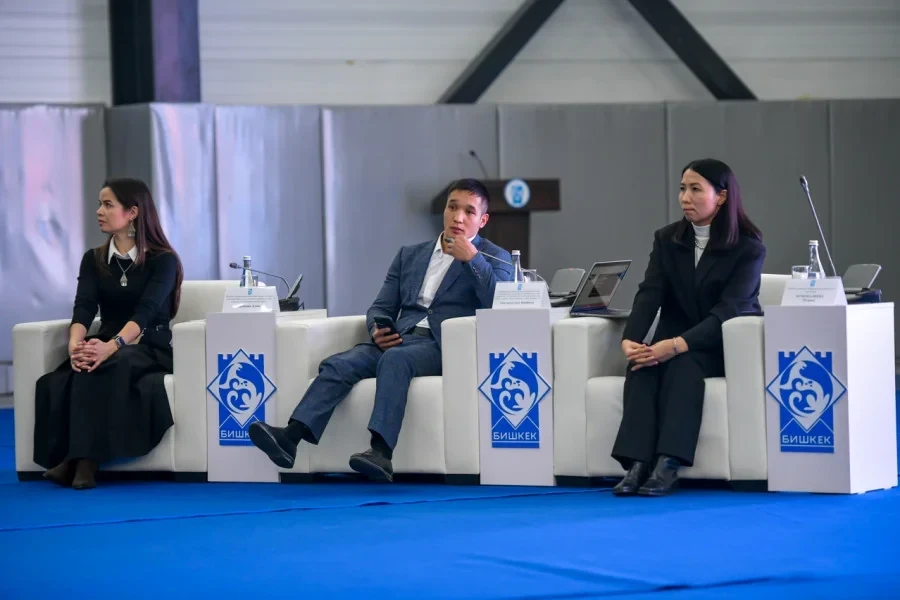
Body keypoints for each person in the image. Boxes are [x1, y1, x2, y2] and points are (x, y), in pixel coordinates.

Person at [249, 178, 513, 481]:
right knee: (341, 363)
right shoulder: (410, 255)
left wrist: (472, 260)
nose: (458, 217)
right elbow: (380, 306)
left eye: (469, 211)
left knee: (395, 360)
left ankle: (381, 453)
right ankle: (290, 438)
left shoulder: (494, 257)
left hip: (442, 345)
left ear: (483, 220)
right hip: (398, 338)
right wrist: (377, 327)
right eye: (453, 207)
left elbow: (499, 304)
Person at [612, 159, 765, 497]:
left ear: (721, 196)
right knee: (642, 364)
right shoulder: (667, 239)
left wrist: (677, 345)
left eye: (696, 189)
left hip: (717, 344)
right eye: (683, 188)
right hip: (672, 339)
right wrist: (632, 339)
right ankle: (637, 463)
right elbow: (650, 292)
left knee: (683, 366)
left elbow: (729, 311)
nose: (685, 197)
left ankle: (668, 464)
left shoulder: (748, 247)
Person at [34, 178, 184, 489]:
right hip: (107, 342)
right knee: (67, 374)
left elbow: (145, 313)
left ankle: (82, 462)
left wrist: (111, 346)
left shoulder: (163, 260)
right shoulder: (94, 259)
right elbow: (84, 308)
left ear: (132, 212)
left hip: (149, 344)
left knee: (108, 365)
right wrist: (76, 346)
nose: (99, 211)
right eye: (100, 204)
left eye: (107, 205)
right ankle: (78, 460)